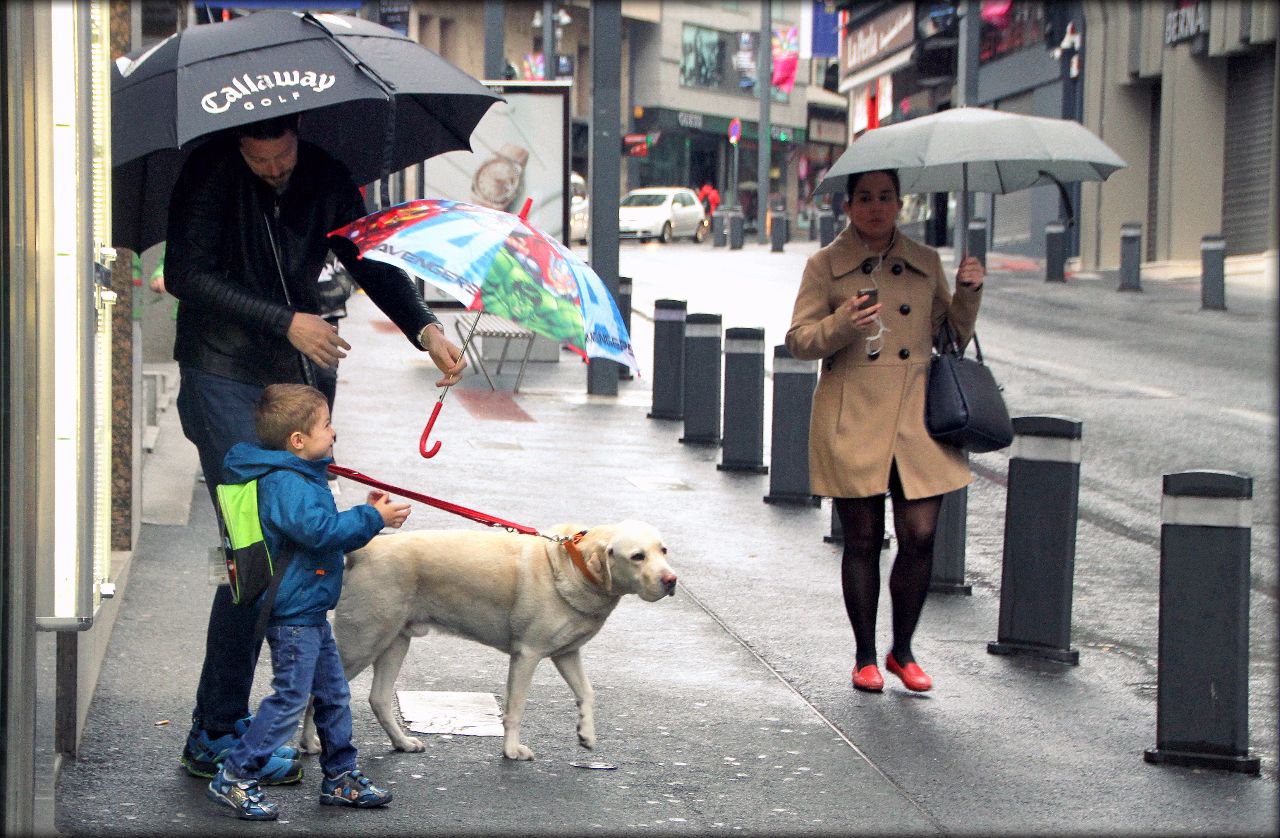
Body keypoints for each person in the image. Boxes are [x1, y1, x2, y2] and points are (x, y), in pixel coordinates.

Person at [166, 112, 467, 782]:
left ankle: (275, 718)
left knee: (305, 549)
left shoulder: (327, 174)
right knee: (257, 553)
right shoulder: (211, 171)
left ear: (298, 136)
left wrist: (424, 327)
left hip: (297, 380)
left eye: (284, 156)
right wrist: (286, 320)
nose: (275, 170)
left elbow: (368, 258)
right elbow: (185, 273)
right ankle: (216, 728)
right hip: (221, 371)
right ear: (239, 145)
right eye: (259, 159)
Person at [785, 169, 985, 694]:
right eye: (866, 198)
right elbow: (800, 341)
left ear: (900, 203)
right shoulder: (825, 266)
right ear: (848, 205)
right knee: (865, 538)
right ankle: (865, 656)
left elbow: (951, 338)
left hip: (917, 415)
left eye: (886, 197)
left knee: (920, 536)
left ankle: (904, 651)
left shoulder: (924, 262)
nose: (877, 207)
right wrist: (842, 324)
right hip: (854, 414)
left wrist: (966, 295)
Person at [206, 383, 410, 820]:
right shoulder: (287, 482)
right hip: (295, 615)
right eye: (326, 425)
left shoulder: (298, 476)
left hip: (310, 609)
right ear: (298, 441)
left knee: (334, 695)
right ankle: (236, 776)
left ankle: (340, 775)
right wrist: (373, 518)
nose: (334, 433)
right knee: (291, 698)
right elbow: (319, 533)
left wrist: (363, 514)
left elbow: (317, 528)